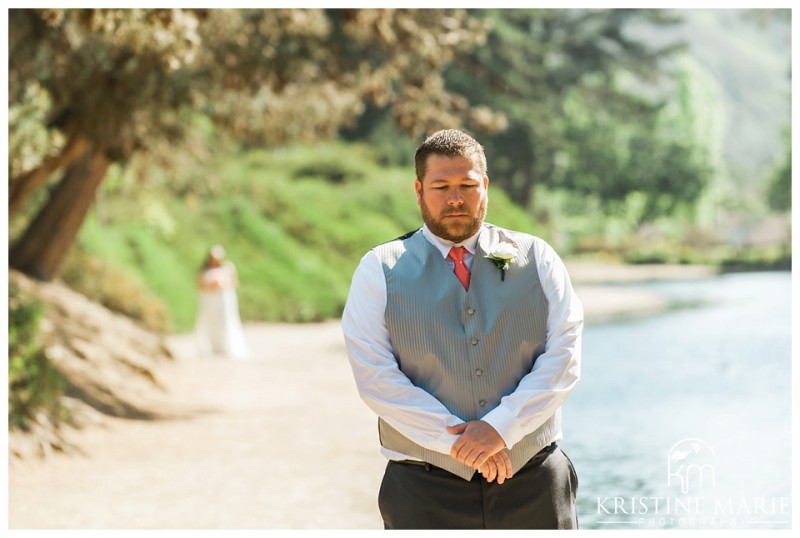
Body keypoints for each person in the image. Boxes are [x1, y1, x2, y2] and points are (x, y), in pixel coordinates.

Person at [341, 129, 583, 529]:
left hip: (534, 482)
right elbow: (375, 377)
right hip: (424, 490)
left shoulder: (538, 258)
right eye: (442, 186)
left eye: (467, 185)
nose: (456, 198)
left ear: (484, 186)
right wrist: (458, 443)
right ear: (419, 189)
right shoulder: (378, 269)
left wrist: (500, 428)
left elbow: (565, 359)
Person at [194, 244, 249, 360]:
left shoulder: (228, 267)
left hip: (223, 300)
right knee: (210, 321)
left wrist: (221, 285)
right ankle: (212, 346)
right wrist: (211, 287)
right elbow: (199, 285)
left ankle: (225, 345)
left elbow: (234, 282)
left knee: (225, 321)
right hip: (209, 300)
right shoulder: (204, 269)